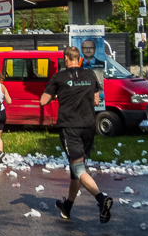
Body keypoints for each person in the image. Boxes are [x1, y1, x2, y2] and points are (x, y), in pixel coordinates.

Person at [40, 46, 114, 224]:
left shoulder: (59, 77)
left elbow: (43, 101)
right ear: (79, 59)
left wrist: (57, 94)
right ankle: (68, 207)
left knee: (78, 169)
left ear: (66, 59)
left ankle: (101, 199)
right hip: (88, 126)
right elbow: (96, 100)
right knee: (77, 169)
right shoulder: (90, 75)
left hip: (70, 127)